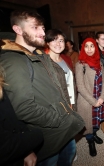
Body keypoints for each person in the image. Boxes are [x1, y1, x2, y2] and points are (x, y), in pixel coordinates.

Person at [0, 10, 85, 165]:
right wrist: (59, 119)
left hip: (63, 127)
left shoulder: (39, 54)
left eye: (43, 28)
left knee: (69, 156)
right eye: (35, 28)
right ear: (18, 29)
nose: (42, 33)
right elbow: (24, 108)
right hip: (49, 134)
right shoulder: (14, 62)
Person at [0, 61, 44, 166]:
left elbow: (9, 114)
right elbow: (4, 146)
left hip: (17, 145)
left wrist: (26, 150)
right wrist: (39, 134)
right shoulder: (14, 62)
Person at [75, 38, 104, 157]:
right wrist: (94, 101)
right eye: (86, 46)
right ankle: (90, 141)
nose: (89, 49)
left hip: (99, 98)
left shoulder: (99, 62)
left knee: (96, 121)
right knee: (88, 123)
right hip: (87, 101)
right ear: (83, 48)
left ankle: (94, 134)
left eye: (92, 46)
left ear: (95, 47)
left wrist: (102, 97)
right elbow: (80, 86)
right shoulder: (80, 64)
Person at [45, 29, 77, 111]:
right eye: (54, 40)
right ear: (47, 43)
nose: (58, 44)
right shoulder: (43, 61)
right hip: (56, 107)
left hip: (71, 101)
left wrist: (71, 103)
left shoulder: (66, 59)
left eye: (61, 41)